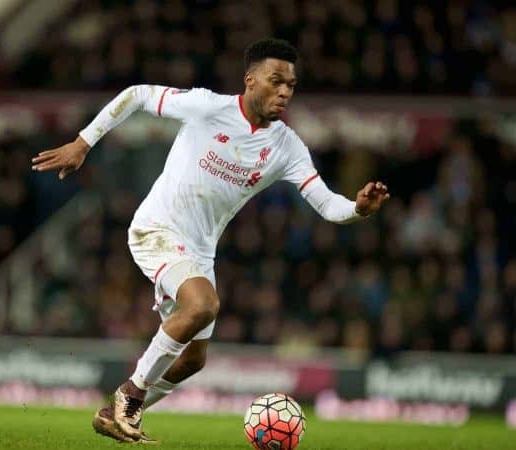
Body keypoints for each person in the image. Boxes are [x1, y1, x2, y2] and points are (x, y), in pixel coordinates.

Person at [31, 38, 390, 444]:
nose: (285, 92)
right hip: (157, 229)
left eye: (291, 85)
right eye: (276, 81)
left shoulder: (287, 146)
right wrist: (83, 143)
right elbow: (136, 95)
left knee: (193, 360)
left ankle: (113, 414)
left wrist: (358, 208)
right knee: (202, 305)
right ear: (250, 80)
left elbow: (327, 206)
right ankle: (129, 396)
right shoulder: (208, 107)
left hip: (200, 250)